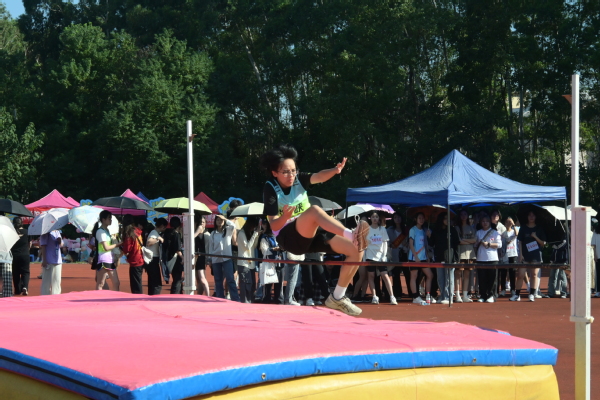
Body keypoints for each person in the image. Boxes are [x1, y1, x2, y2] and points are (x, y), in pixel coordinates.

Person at [261, 144, 369, 316]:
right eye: (286, 172)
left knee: (357, 250)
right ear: (275, 173)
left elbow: (319, 176)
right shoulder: (270, 188)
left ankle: (337, 297)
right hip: (289, 237)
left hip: (310, 232)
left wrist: (335, 170)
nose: (291, 175)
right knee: (314, 210)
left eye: (293, 170)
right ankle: (351, 234)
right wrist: (285, 216)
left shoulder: (299, 179)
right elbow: (274, 225)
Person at [511, 210, 547, 302]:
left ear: (536, 217)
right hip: (525, 255)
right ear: (527, 217)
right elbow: (520, 241)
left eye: (533, 215)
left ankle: (532, 294)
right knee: (520, 274)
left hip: (535, 255)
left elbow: (543, 243)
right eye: (529, 215)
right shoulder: (523, 227)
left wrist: (535, 237)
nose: (531, 217)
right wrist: (520, 254)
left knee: (534, 275)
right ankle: (517, 295)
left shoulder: (539, 228)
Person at [364, 211, 394, 305]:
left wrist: (384, 255)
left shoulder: (382, 229)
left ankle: (392, 296)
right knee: (371, 276)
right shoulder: (367, 229)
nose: (375, 219)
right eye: (373, 217)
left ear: (378, 218)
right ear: (370, 218)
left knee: (385, 275)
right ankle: (374, 296)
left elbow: (385, 243)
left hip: (381, 257)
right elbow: (364, 244)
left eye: (376, 217)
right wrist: (364, 257)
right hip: (370, 256)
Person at [208, 214, 239, 301]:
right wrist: (210, 259)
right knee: (218, 280)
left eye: (221, 220)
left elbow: (233, 225)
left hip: (227, 258)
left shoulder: (228, 230)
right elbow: (211, 247)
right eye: (217, 220)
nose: (219, 221)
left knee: (230, 279)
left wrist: (225, 219)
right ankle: (220, 298)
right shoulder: (213, 234)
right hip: (216, 259)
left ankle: (235, 298)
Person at [430, 212, 459, 304]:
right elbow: (431, 243)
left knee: (449, 278)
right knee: (440, 278)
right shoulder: (436, 230)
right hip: (438, 257)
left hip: (450, 257)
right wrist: (429, 236)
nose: (447, 220)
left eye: (448, 219)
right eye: (445, 218)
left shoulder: (452, 230)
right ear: (441, 219)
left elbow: (456, 244)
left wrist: (456, 258)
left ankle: (448, 297)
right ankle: (442, 295)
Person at [408, 212, 434, 304]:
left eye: (423, 218)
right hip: (414, 257)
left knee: (430, 275)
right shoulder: (412, 230)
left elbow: (425, 245)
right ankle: (415, 296)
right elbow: (411, 244)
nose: (421, 220)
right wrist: (415, 256)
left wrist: (427, 255)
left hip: (423, 257)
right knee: (414, 276)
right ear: (415, 219)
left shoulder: (425, 230)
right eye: (419, 218)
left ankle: (428, 295)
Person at [474, 215, 502, 303]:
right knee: (482, 278)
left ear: (490, 222)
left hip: (492, 258)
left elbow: (499, 245)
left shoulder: (495, 232)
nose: (485, 223)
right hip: (481, 258)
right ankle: (483, 295)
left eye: (486, 221)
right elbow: (475, 245)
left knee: (492, 278)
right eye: (483, 221)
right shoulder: (478, 232)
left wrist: (489, 244)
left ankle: (491, 295)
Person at [236, 216, 263, 303]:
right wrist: (255, 234)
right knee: (245, 284)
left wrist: (256, 236)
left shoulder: (249, 233)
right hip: (244, 263)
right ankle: (245, 302)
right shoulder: (241, 233)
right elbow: (247, 247)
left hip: (251, 263)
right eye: (254, 226)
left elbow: (253, 246)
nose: (254, 228)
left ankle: (250, 301)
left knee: (252, 285)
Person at [94, 211, 122, 291]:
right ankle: (98, 297)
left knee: (116, 283)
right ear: (103, 219)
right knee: (101, 283)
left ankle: (115, 298)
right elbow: (106, 247)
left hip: (110, 259)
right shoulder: (100, 231)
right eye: (109, 218)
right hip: (103, 260)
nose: (110, 220)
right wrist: (118, 244)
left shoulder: (107, 231)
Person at [386, 212, 410, 299]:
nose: (397, 219)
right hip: (395, 254)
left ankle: (411, 293)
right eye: (395, 217)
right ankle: (397, 293)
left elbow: (410, 241)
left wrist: (406, 244)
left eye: (399, 217)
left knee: (407, 273)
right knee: (396, 274)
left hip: (405, 253)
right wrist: (391, 245)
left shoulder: (406, 230)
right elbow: (387, 242)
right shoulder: (389, 230)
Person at [121, 216, 146, 294]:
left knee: (135, 284)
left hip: (134, 260)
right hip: (140, 258)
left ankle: (138, 297)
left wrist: (122, 246)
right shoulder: (137, 231)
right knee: (138, 281)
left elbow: (127, 249)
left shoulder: (130, 233)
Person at [455, 210, 476, 302]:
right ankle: (457, 295)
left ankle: (465, 295)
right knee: (458, 274)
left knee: (467, 275)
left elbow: (474, 240)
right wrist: (468, 241)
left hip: (470, 254)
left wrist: (465, 241)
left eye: (465, 214)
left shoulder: (471, 228)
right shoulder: (457, 228)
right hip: (460, 253)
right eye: (461, 214)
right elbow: (458, 241)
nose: (463, 216)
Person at [145, 218, 168, 295]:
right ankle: (154, 297)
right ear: (161, 226)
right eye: (165, 227)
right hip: (152, 259)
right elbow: (149, 242)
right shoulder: (154, 232)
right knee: (156, 283)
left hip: (153, 259)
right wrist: (158, 239)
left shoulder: (155, 232)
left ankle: (151, 296)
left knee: (152, 282)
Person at [40, 230, 63, 295]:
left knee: (57, 281)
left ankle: (56, 296)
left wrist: (60, 241)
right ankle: (45, 295)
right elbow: (43, 247)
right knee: (46, 282)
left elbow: (61, 244)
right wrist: (44, 260)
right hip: (48, 260)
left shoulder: (57, 232)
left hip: (57, 260)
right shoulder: (45, 233)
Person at [165, 217, 185, 294]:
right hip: (176, 260)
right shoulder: (176, 234)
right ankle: (175, 294)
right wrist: (183, 258)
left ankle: (177, 293)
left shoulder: (167, 233)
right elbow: (177, 250)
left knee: (176, 278)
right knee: (177, 279)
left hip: (169, 258)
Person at [11, 218, 30, 296]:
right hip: (24, 254)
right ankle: (25, 286)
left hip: (14, 255)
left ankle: (17, 290)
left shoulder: (11, 232)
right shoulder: (27, 232)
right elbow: (29, 244)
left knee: (15, 273)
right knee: (25, 272)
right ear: (22, 223)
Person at [501, 217, 518, 296]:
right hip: (505, 254)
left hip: (513, 254)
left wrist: (514, 225)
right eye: (507, 222)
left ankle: (513, 289)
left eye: (510, 222)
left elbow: (517, 234)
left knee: (512, 272)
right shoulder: (503, 233)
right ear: (505, 223)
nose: (509, 223)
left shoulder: (514, 231)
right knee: (503, 272)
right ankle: (503, 289)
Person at [193, 216, 210, 296]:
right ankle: (199, 295)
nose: (202, 224)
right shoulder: (198, 231)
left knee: (202, 277)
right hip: (196, 256)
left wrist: (207, 259)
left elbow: (207, 248)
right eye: (200, 222)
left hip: (200, 257)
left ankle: (208, 295)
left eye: (203, 222)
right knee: (198, 279)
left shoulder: (205, 234)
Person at [591, 222, 600, 298]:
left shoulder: (595, 231)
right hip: (598, 255)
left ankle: (598, 291)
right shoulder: (596, 231)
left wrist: (595, 255)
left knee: (598, 274)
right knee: (598, 274)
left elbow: (593, 245)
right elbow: (593, 244)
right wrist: (595, 255)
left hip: (598, 255)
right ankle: (598, 291)